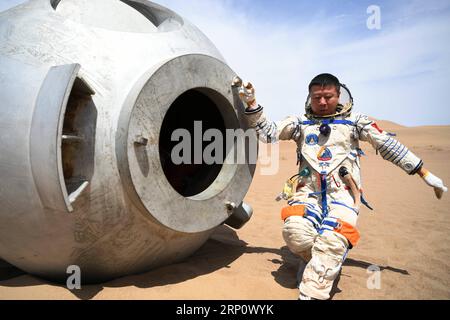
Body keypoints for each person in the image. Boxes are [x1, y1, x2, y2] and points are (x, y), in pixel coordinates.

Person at [233, 73, 448, 300]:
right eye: (317, 98)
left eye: (328, 97)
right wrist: (251, 103)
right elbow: (268, 133)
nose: (323, 103)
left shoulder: (355, 123)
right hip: (309, 194)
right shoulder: (300, 124)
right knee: (294, 232)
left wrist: (423, 172)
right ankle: (316, 262)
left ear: (339, 95)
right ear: (309, 97)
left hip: (343, 196)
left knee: (333, 242)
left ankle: (313, 290)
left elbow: (387, 144)